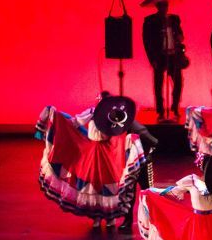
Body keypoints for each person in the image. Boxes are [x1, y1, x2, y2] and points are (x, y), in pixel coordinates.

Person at [36, 94, 148, 230]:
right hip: (92, 151)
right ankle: (96, 217)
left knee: (107, 182)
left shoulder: (112, 114)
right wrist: (59, 117)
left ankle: (109, 217)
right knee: (93, 183)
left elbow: (119, 128)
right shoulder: (92, 112)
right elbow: (75, 122)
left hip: (109, 152)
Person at [141, 0, 186, 122]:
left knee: (178, 82)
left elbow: (180, 35)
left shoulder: (174, 19)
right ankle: (160, 110)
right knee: (158, 84)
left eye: (165, 5)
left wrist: (179, 37)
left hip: (173, 55)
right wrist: (152, 59)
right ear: (157, 7)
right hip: (159, 56)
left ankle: (175, 107)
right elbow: (147, 41)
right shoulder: (150, 21)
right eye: (161, 6)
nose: (164, 8)